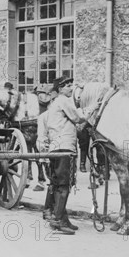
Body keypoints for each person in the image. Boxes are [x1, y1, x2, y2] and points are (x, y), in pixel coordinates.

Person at [38, 75, 86, 235]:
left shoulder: (54, 105)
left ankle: (62, 218)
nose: (71, 88)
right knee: (65, 185)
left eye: (72, 85)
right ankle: (58, 220)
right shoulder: (64, 101)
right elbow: (78, 118)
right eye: (67, 86)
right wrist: (91, 112)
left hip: (55, 149)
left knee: (58, 184)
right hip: (65, 148)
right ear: (60, 89)